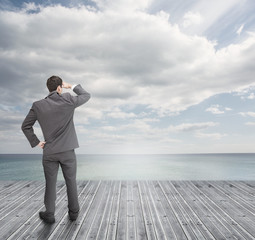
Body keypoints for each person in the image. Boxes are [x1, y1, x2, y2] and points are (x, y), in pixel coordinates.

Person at [21, 76, 90, 224]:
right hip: (68, 151)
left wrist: (37, 142)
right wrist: (70, 86)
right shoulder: (67, 99)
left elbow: (25, 126)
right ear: (59, 87)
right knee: (71, 181)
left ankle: (50, 214)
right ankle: (73, 213)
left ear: (48, 88)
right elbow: (86, 95)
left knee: (50, 183)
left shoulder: (38, 105)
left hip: (49, 151)